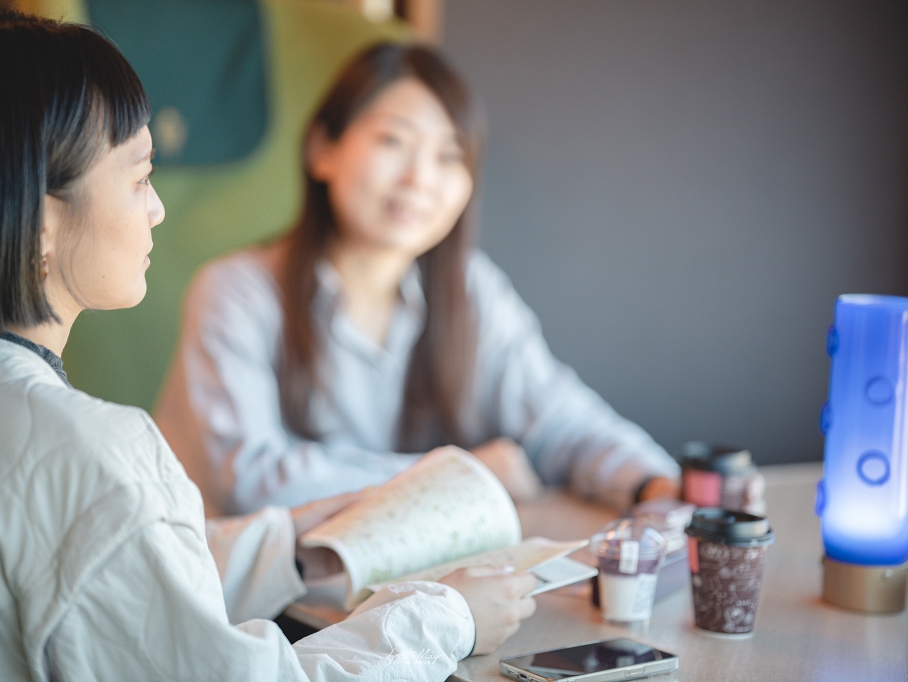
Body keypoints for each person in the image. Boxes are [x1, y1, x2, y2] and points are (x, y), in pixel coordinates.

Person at [0, 9, 536, 681]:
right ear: (39, 219)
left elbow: (106, 573)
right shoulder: (95, 451)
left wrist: (288, 549)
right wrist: (444, 618)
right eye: (141, 177)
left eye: (448, 155)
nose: (157, 209)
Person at [155, 42, 682, 518]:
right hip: (237, 601)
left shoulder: (470, 288)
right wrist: (455, 477)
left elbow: (558, 417)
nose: (419, 179)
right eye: (393, 141)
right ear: (322, 149)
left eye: (449, 156)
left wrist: (656, 484)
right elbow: (253, 482)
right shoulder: (235, 291)